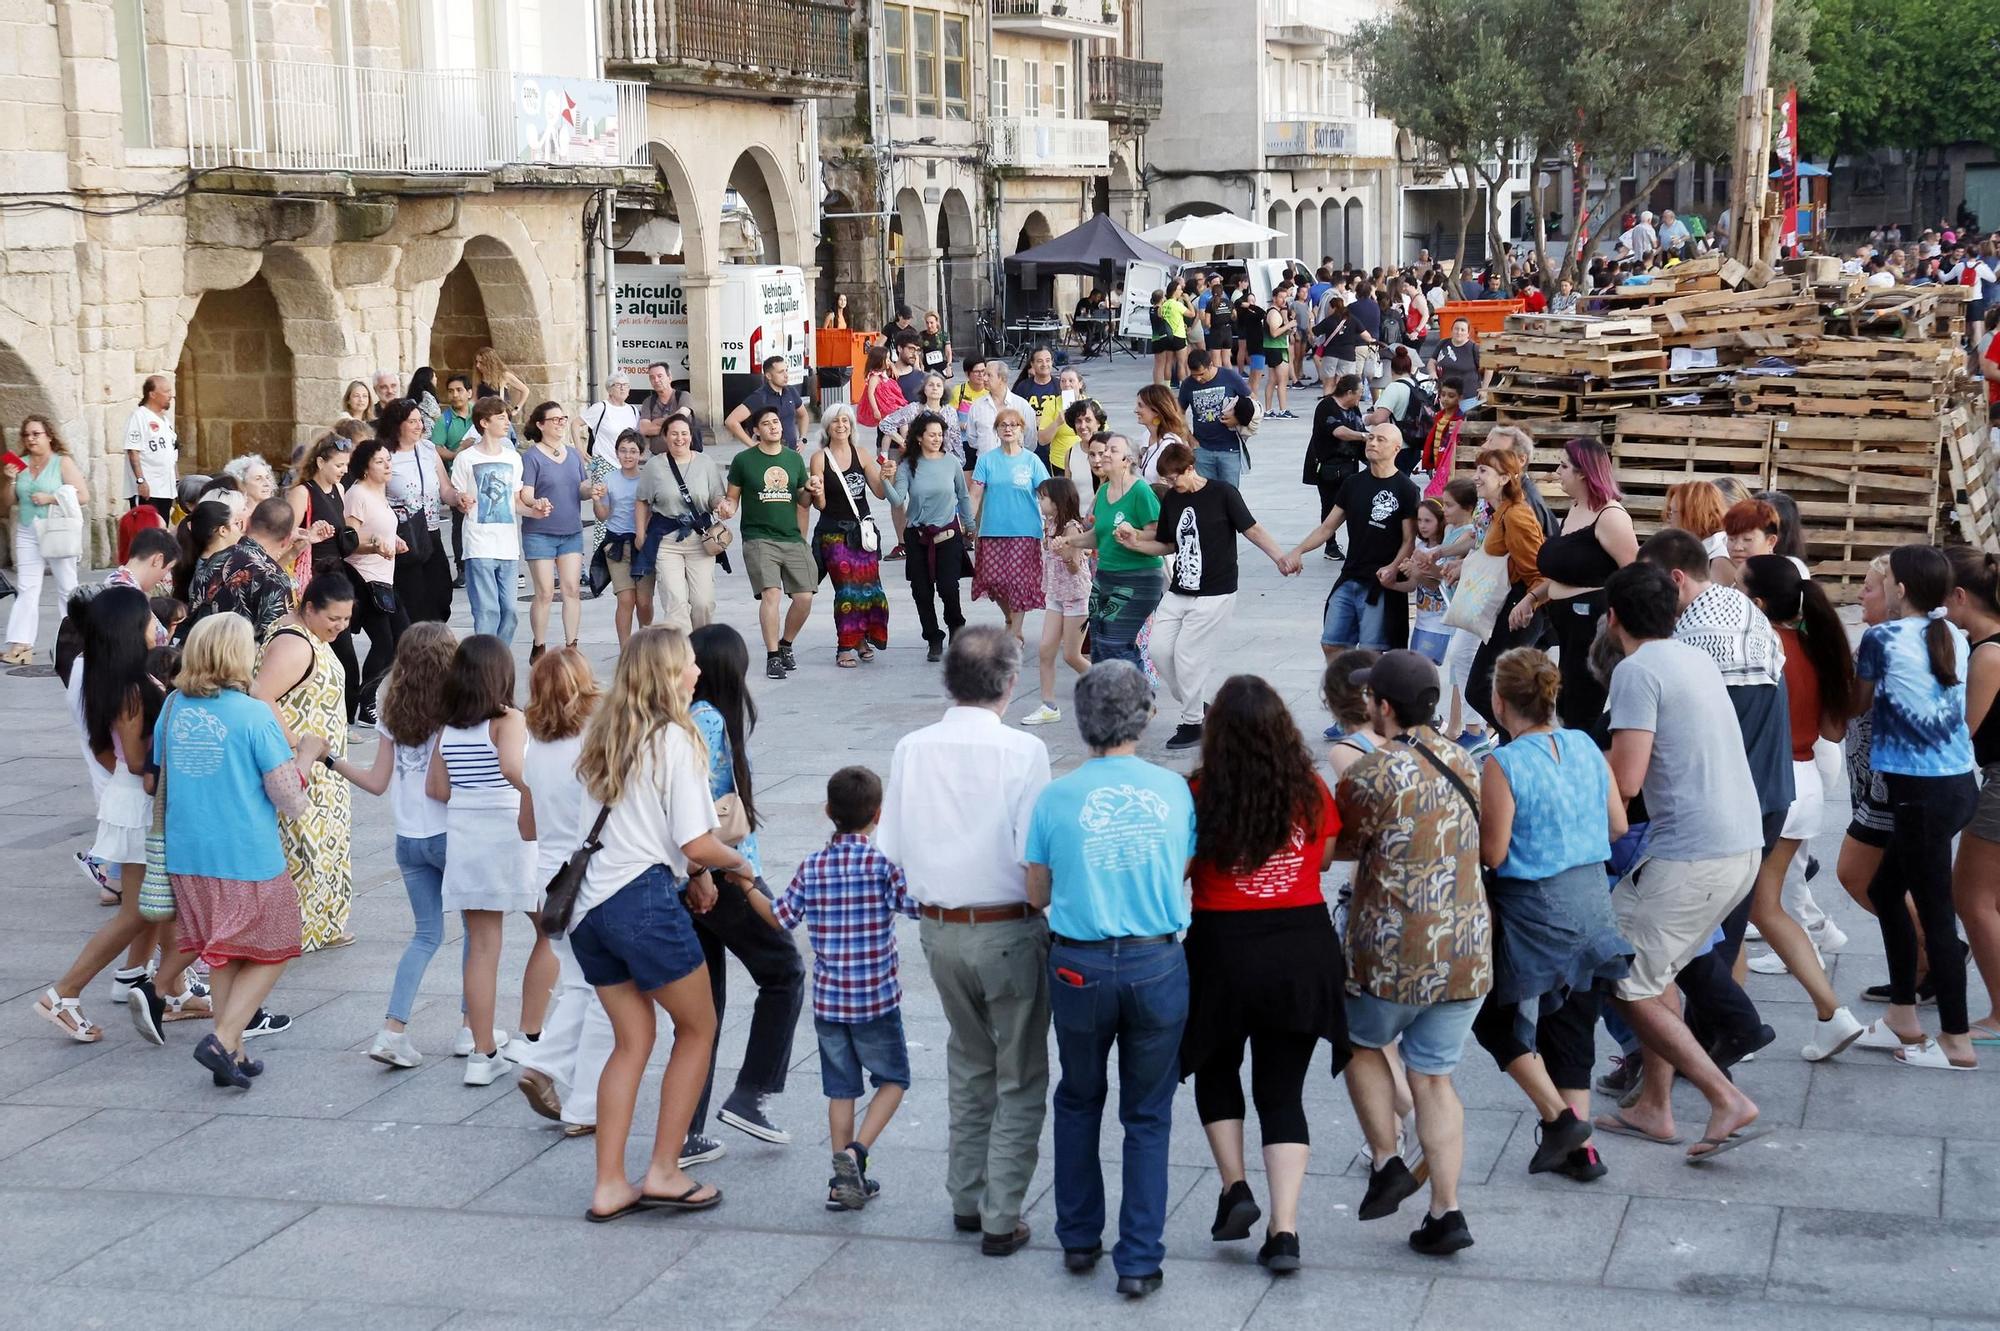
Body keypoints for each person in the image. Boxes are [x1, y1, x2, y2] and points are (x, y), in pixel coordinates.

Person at [567, 627, 753, 1223]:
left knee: (630, 1042)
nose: (696, 673)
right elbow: (695, 838)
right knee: (699, 1029)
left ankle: (609, 1185)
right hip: (640, 902)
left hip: (588, 909)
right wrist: (736, 863)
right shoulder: (677, 737)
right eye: (688, 666)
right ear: (668, 676)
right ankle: (666, 1170)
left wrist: (691, 871)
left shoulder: (603, 734)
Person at [875, 626, 1053, 1246]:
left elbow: (889, 849)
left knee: (970, 1061)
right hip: (1007, 926)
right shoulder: (1023, 752)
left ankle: (967, 1196)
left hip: (940, 929)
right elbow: (1036, 860)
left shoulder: (912, 748)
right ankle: (1001, 1214)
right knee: (1021, 1073)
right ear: (1008, 684)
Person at [1026, 661, 1195, 1298]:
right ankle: (1140, 1258)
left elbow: (1036, 890)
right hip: (1156, 959)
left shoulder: (1055, 795)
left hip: (1079, 962)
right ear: (1147, 716)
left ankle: (1077, 1236)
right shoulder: (1173, 790)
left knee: (1078, 1097)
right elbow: (1179, 867)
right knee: (1148, 1115)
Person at [1594, 563, 1767, 1158]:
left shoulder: (1637, 672)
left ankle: (1724, 1098)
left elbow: (1627, 779)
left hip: (1693, 853)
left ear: (1612, 617)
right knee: (1655, 970)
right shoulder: (1693, 655)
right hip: (1739, 846)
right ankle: (1654, 1108)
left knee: (1619, 971)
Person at [1183, 676, 1348, 1272]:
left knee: (1216, 1066)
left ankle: (1235, 1187)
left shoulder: (1200, 792)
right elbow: (1324, 858)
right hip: (1301, 949)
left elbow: (1181, 868)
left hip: (1222, 950)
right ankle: (1284, 1231)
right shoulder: (1307, 789)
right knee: (1283, 1092)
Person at [1330, 650, 1487, 1254]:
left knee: (1360, 1041)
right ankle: (1447, 1211)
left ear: (1383, 706)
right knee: (1435, 1078)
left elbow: (1342, 846)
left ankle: (1387, 1157)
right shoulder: (1466, 760)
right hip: (1467, 947)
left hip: (1396, 949)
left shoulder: (1371, 773)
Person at [1470, 648, 1631, 1182]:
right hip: (1592, 904)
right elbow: (1617, 827)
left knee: (1494, 1020)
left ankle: (1560, 1121)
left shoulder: (1504, 762)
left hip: (1536, 911)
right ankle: (1581, 1153)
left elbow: (1493, 853)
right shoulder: (1585, 744)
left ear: (1498, 701)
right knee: (1574, 1026)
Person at [34, 587, 208, 1043]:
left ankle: (172, 990)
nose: (157, 626)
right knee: (136, 913)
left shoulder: (122, 679)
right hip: (138, 806)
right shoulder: (132, 688)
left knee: (161, 905)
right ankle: (64, 993)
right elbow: (133, 760)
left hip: (136, 801)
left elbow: (107, 752)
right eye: (148, 620)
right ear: (130, 631)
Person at [677, 623, 807, 1157]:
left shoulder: (689, 718)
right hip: (722, 871)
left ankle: (685, 1132)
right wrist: (706, 870)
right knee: (785, 970)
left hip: (697, 872)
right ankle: (751, 1095)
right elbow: (694, 807)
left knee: (706, 1005)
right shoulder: (709, 720)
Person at [763, 766, 919, 1211]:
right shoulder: (883, 863)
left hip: (830, 1003)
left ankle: (840, 1183)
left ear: (828, 811)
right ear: (879, 814)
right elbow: (915, 905)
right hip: (876, 999)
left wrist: (744, 884)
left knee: (841, 1090)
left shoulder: (812, 866)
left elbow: (781, 917)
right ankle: (857, 1154)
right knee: (893, 1079)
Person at [1732, 555, 1868, 1057]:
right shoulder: (1817, 646)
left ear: (1759, 602)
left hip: (1768, 784)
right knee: (1761, 908)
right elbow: (1834, 730)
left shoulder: (1759, 648)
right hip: (1807, 780)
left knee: (1739, 910)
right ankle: (1831, 1013)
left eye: (1740, 588)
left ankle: (1736, 1027)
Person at [1851, 546, 1979, 1068]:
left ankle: (1956, 1041)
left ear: (1900, 590)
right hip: (1953, 787)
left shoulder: (1880, 638)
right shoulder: (1953, 635)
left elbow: (1857, 703)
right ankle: (1902, 1015)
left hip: (1921, 794)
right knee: (1884, 887)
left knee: (1937, 916)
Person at [325, 621, 455, 1067]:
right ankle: (475, 1031)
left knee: (425, 935)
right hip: (450, 833)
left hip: (408, 837)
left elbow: (378, 782)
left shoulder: (388, 700)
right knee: (481, 932)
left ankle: (392, 1030)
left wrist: (331, 759)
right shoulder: (455, 701)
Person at [1114, 443, 1287, 750]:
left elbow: (1253, 530)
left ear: (1190, 469)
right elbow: (1167, 544)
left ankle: (1192, 723)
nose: (1170, 485)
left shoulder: (1223, 493)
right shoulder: (1173, 500)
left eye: (1174, 478)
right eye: (1166, 480)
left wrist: (1280, 558)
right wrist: (1135, 543)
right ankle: (1200, 708)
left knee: (1187, 656)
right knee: (1159, 650)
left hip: (1216, 591)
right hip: (1181, 588)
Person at [426, 634, 538, 1087]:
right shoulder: (509, 718)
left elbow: (437, 788)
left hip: (467, 834)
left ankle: (482, 1051)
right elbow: (514, 768)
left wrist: (473, 791)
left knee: (482, 945)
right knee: (551, 927)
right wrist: (534, 791)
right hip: (510, 832)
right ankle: (532, 1030)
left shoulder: (448, 727)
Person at [251, 573, 357, 953]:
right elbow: (261, 695)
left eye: (346, 619)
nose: (341, 627)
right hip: (303, 765)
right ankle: (296, 932)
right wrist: (301, 745)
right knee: (305, 852)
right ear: (309, 608)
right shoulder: (295, 645)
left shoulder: (304, 631)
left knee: (321, 848)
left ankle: (320, 927)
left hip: (318, 765)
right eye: (333, 619)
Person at [1526, 438, 1638, 730]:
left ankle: (1587, 770)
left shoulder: (1610, 516)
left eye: (1563, 465)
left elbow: (1635, 575)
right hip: (1567, 628)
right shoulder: (1576, 509)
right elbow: (1563, 573)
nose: (1557, 471)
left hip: (1590, 627)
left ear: (1583, 473)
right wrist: (1532, 598)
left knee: (1580, 709)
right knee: (1564, 704)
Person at [1282, 424, 1418, 658]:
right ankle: (1341, 692)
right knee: (1332, 642)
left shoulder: (1406, 489)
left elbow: (1409, 541)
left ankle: (1369, 694)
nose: (1372, 443)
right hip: (1350, 577)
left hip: (1380, 583)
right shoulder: (1353, 483)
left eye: (1381, 440)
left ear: (1397, 448)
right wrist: (1298, 551)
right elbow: (1328, 527)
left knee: (1371, 651)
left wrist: (1393, 568)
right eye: (1371, 438)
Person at [1944, 548, 2000, 1043]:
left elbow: (1965, 735)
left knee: (1973, 898)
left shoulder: (1988, 654)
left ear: (1960, 597)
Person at [726, 405, 817, 680]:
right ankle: (773, 655)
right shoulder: (744, 461)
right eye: (766, 423)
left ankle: (787, 644)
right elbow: (732, 497)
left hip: (790, 536)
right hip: (758, 537)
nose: (773, 426)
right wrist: (726, 506)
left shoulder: (793, 460)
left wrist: (811, 490)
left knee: (804, 597)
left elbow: (801, 500)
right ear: (756, 430)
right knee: (771, 594)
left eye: (776, 422)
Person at [451, 397, 550, 641]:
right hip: (479, 543)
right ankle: (485, 668)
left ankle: (498, 662)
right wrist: (460, 500)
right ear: (484, 422)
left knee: (510, 611)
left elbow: (514, 501)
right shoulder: (466, 458)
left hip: (507, 545)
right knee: (487, 611)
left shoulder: (513, 458)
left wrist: (533, 511)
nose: (507, 421)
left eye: (507, 416)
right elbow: (456, 496)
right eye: (500, 417)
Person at [1469, 449, 1549, 736]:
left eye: (1483, 472)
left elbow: (1539, 571)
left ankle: (1524, 740)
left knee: (1482, 689)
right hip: (1509, 604)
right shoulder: (1500, 510)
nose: (1475, 477)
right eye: (1477, 470)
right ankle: (1515, 741)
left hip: (1520, 610)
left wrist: (1527, 604)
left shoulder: (1516, 515)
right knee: (1485, 689)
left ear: (1504, 478)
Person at [1066, 435, 1163, 669]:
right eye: (1103, 450)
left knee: (1116, 642)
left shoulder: (1140, 491)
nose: (1105, 454)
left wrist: (1134, 533)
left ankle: (1141, 701)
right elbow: (1099, 536)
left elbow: (1159, 533)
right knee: (1099, 643)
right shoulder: (1104, 491)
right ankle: (1111, 699)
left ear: (1127, 460)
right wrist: (1070, 541)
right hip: (1105, 577)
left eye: (1112, 450)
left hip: (1138, 578)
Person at [883, 412, 973, 662]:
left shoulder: (951, 462)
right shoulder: (907, 465)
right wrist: (886, 482)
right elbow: (897, 500)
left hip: (948, 534)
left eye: (940, 435)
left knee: (948, 587)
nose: (937, 439)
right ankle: (933, 637)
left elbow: (963, 496)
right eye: (931, 435)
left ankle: (956, 625)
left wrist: (970, 524)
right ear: (920, 437)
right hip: (918, 537)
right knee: (921, 592)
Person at [633, 415, 731, 634]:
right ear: (665, 437)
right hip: (666, 541)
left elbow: (716, 495)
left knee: (702, 602)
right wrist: (640, 533)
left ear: (691, 436)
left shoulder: (705, 463)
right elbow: (641, 501)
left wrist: (721, 505)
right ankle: (683, 655)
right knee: (675, 602)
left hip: (700, 540)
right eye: (674, 434)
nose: (680, 439)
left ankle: (702, 649)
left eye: (684, 433)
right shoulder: (654, 465)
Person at [808, 404, 890, 666]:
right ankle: (844, 645)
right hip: (833, 534)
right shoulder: (820, 458)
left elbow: (879, 492)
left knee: (869, 590)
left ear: (852, 426)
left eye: (845, 421)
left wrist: (887, 476)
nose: (841, 425)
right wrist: (817, 490)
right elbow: (819, 505)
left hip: (862, 533)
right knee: (846, 592)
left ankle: (863, 640)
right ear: (827, 427)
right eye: (835, 421)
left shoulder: (862, 454)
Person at [4, 416, 89, 665]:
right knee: (27, 587)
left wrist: (51, 498)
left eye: (36, 434)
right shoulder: (19, 464)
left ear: (49, 436)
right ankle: (21, 645)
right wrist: (10, 480)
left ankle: (74, 640)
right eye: (27, 435)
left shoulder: (62, 462)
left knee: (67, 586)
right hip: (28, 529)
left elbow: (83, 495)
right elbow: (7, 503)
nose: (30, 439)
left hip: (56, 529)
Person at [341, 440, 410, 724]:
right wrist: (374, 547)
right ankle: (364, 702)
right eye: (380, 461)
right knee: (384, 642)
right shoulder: (357, 493)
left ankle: (368, 698)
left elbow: (378, 530)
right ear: (366, 468)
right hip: (364, 578)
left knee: (402, 639)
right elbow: (348, 541)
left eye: (388, 460)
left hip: (384, 577)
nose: (387, 465)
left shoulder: (378, 492)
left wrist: (394, 541)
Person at [519, 401, 594, 662]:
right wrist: (535, 502)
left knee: (572, 588)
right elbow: (526, 493)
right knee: (545, 591)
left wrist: (592, 490)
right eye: (555, 420)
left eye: (563, 418)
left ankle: (571, 645)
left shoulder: (573, 455)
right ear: (540, 425)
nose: (561, 423)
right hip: (539, 532)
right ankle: (539, 645)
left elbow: (582, 488)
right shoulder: (531, 457)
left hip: (570, 530)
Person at [970, 407, 1051, 640]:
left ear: (1022, 430)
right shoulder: (986, 460)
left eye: (1013, 425)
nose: (1008, 429)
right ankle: (1009, 618)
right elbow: (975, 495)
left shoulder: (1032, 460)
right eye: (1003, 425)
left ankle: (1015, 633)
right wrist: (968, 524)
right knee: (994, 582)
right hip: (991, 530)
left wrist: (1051, 525)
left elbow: (1046, 495)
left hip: (1025, 531)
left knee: (1018, 582)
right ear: (996, 430)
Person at [183, 498, 302, 650]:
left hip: (194, 654)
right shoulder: (276, 580)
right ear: (286, 540)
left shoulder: (216, 558)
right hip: (236, 665)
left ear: (249, 523)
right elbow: (273, 643)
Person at [1022, 476, 1091, 726]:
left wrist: (1065, 554)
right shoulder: (1049, 524)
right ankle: (1048, 705)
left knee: (1072, 656)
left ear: (1058, 501)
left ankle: (1110, 688)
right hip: (1055, 594)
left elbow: (1074, 568)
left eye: (1043, 498)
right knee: (1045, 650)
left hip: (1075, 596)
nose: (1040, 502)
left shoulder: (1072, 528)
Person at [381, 398, 456, 625]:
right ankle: (416, 649)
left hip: (431, 531)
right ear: (397, 425)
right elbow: (375, 495)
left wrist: (458, 498)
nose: (418, 426)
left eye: (419, 421)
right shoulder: (385, 455)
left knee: (441, 593)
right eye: (411, 421)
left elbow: (445, 488)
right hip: (404, 534)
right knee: (413, 599)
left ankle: (434, 643)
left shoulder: (428, 449)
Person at [594, 431, 652, 650]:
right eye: (623, 450)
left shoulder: (647, 479)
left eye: (633, 451)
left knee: (644, 602)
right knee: (625, 599)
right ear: (616, 453)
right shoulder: (609, 479)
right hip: (616, 545)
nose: (628, 456)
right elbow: (603, 515)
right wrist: (598, 500)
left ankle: (645, 645)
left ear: (641, 454)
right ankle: (626, 650)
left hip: (643, 545)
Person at [1304, 374, 1368, 560]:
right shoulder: (1326, 407)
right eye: (1359, 393)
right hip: (1328, 468)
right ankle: (1330, 545)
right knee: (1331, 506)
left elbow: (1360, 429)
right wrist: (1365, 437)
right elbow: (1340, 432)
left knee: (1354, 507)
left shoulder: (1354, 408)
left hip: (1350, 466)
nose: (1360, 397)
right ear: (1349, 392)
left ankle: (1356, 546)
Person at [1175, 348, 1255, 487]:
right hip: (1202, 449)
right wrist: (1189, 437)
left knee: (1229, 495)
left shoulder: (1230, 377)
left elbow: (1252, 402)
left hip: (1230, 449)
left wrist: (1238, 419)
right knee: (1205, 495)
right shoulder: (1188, 384)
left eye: (1201, 374)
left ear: (1210, 365)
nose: (1198, 379)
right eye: (1194, 375)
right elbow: (1178, 413)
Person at [123, 374, 178, 521]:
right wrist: (141, 481)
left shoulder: (165, 421)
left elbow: (172, 454)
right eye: (166, 391)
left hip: (166, 489)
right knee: (145, 531)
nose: (171, 395)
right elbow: (133, 451)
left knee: (161, 532)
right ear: (152, 394)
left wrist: (176, 482)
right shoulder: (139, 417)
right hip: (148, 489)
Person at [726, 355, 809, 451]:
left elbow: (803, 415)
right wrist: (752, 444)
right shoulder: (759, 397)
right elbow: (731, 421)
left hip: (791, 453)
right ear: (768, 376)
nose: (786, 375)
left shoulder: (791, 391)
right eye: (780, 372)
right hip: (768, 455)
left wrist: (802, 439)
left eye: (786, 370)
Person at [963, 359, 1032, 472]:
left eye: (989, 375)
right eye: (984, 374)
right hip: (986, 468)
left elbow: (1030, 439)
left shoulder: (1021, 405)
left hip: (1015, 467)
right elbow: (972, 439)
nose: (984, 378)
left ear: (1001, 378)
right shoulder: (977, 406)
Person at [1662, 480, 1733, 584]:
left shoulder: (1718, 559)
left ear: (1693, 514)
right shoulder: (1699, 549)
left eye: (1673, 512)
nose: (1669, 519)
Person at [637, 361, 705, 453]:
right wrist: (674, 427)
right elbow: (644, 429)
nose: (656, 380)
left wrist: (657, 422)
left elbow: (681, 415)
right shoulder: (648, 402)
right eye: (652, 377)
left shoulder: (683, 396)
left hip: (684, 457)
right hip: (657, 457)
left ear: (669, 378)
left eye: (660, 376)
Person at [1131, 383, 1192, 482]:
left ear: (1156, 410)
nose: (1135, 410)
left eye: (1140, 406)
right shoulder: (1146, 436)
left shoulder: (1169, 444)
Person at [581, 373, 641, 466]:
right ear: (610, 390)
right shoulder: (601, 407)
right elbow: (575, 424)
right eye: (618, 385)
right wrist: (580, 450)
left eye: (625, 385)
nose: (622, 388)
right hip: (603, 463)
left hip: (626, 464)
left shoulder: (633, 410)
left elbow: (637, 438)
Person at [1429, 318, 1484, 410]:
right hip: (1446, 397)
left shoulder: (1474, 348)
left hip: (1468, 397)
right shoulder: (1443, 343)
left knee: (1463, 423)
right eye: (1456, 329)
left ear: (1468, 333)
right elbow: (1432, 361)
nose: (1459, 332)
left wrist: (1484, 389)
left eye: (1462, 330)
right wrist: (1432, 373)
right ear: (1451, 330)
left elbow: (1489, 368)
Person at [919, 309, 954, 380]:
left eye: (931, 323)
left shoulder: (943, 335)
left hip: (941, 367)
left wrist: (949, 365)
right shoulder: (921, 335)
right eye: (927, 323)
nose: (929, 325)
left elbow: (948, 352)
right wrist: (921, 365)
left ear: (936, 322)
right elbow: (919, 352)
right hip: (928, 368)